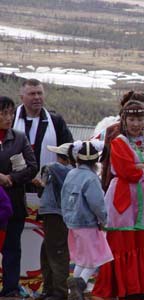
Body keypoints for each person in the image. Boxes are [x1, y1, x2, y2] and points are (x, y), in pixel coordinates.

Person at [92, 101, 144, 299]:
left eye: (140, 119)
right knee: (122, 242)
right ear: (124, 120)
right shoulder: (118, 142)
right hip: (123, 199)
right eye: (132, 119)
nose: (136, 123)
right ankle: (121, 287)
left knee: (141, 241)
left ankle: (138, 287)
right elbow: (127, 171)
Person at [13, 78, 73, 300]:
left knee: (52, 243)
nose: (37, 98)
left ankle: (54, 289)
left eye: (39, 93)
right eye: (32, 94)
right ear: (22, 97)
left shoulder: (55, 121)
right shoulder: (10, 120)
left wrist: (50, 175)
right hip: (15, 188)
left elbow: (69, 152)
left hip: (48, 192)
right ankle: (13, 285)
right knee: (14, 240)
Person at [61, 140, 113, 300]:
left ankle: (72, 292)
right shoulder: (91, 178)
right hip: (88, 225)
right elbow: (97, 203)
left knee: (82, 260)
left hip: (72, 224)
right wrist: (104, 220)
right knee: (96, 259)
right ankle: (79, 285)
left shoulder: (71, 174)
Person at [0, 96, 37, 297]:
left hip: (13, 203)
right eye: (4, 113)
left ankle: (10, 289)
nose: (8, 117)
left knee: (12, 249)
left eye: (11, 113)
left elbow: (32, 167)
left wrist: (11, 179)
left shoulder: (19, 138)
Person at [37, 143, 74, 300]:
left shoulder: (65, 171)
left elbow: (51, 166)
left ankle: (59, 291)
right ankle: (50, 288)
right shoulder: (63, 172)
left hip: (56, 215)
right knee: (48, 251)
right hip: (53, 214)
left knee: (57, 252)